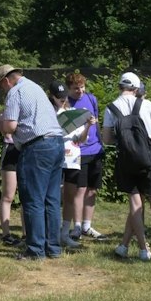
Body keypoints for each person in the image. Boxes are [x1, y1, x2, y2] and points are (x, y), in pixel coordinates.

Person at [102, 72, 151, 261]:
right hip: (147, 158)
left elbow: (107, 139)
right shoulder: (146, 104)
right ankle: (143, 248)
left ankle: (124, 246)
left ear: (120, 87)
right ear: (136, 89)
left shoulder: (111, 108)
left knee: (135, 204)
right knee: (139, 204)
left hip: (125, 160)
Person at [0, 64, 63, 260]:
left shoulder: (15, 92)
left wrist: (1, 125)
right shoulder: (35, 87)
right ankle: (53, 248)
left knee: (33, 200)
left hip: (36, 147)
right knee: (52, 200)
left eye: (1, 86)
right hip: (56, 143)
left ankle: (35, 250)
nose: (3, 91)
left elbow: (10, 126)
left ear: (6, 81)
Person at [61, 71, 103, 247]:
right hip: (78, 152)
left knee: (92, 189)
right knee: (79, 189)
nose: (80, 91)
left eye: (82, 87)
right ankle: (76, 226)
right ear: (69, 89)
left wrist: (100, 141)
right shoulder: (66, 103)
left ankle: (87, 225)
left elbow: (97, 120)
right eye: (76, 88)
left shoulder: (91, 99)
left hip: (96, 149)